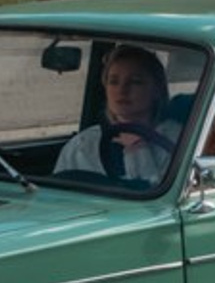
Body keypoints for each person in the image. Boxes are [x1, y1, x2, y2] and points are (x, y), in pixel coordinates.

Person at [54, 43, 183, 185]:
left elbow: (158, 198)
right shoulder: (83, 144)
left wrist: (138, 150)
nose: (122, 90)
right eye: (113, 82)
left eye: (135, 82)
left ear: (157, 89)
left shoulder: (179, 140)